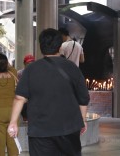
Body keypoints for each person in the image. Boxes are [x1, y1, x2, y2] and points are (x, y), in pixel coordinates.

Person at [8, 28, 90, 156]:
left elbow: (20, 98)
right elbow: (83, 98)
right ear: (59, 46)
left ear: (41, 46)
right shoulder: (72, 68)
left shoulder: (31, 69)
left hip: (40, 131)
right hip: (69, 129)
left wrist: (13, 122)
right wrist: (83, 119)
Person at [17, 54, 35, 121]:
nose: (30, 65)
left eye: (32, 63)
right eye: (28, 63)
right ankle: (25, 118)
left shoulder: (38, 73)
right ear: (24, 64)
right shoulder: (19, 73)